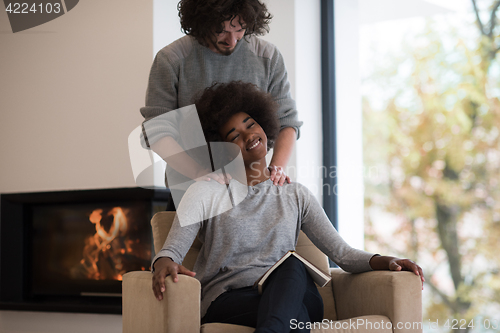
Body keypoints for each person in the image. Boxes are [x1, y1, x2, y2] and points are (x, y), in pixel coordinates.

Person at [151, 82, 425, 332]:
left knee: (292, 267)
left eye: (251, 124)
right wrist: (163, 263)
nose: (249, 136)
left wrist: (385, 261)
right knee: (294, 315)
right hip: (230, 299)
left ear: (264, 125)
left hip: (294, 290)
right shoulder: (204, 192)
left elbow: (342, 253)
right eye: (234, 135)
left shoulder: (295, 195)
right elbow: (171, 251)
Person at [140, 0, 302, 187]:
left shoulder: (267, 56)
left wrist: (276, 170)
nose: (231, 41)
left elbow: (287, 122)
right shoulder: (172, 59)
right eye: (221, 30)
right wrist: (199, 174)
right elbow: (156, 130)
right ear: (202, 22)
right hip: (191, 188)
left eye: (240, 29)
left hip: (255, 188)